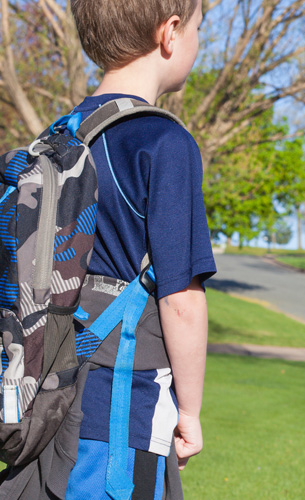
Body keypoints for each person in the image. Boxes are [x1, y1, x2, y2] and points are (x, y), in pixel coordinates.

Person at [63, 0, 215, 498]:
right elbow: (181, 300)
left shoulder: (59, 136)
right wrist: (189, 412)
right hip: (122, 414)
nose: (198, 40)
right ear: (170, 33)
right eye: (199, 27)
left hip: (47, 401)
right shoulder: (162, 141)